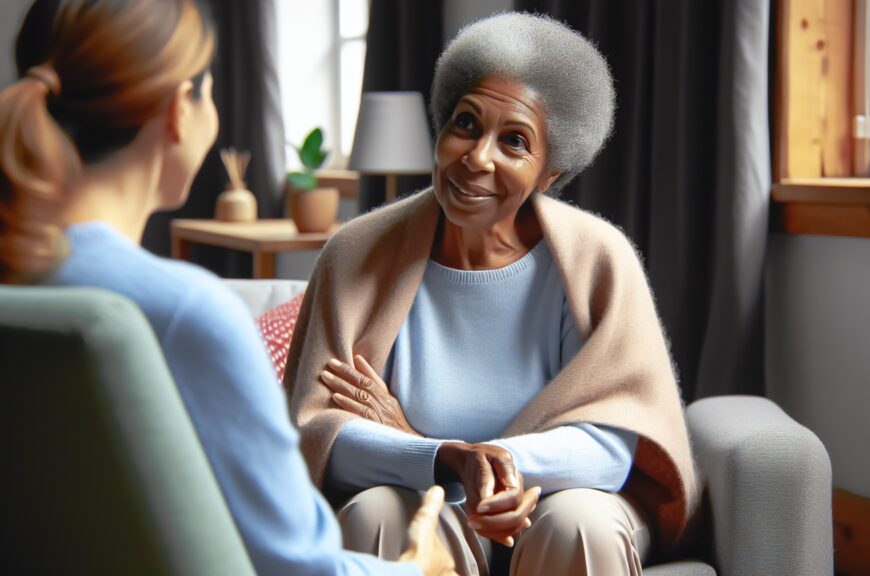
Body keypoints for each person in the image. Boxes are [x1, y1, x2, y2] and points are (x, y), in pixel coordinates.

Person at [0, 1, 456, 575]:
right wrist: (422, 568)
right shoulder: (186, 313)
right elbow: (298, 569)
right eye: (208, 91)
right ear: (177, 111)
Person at [285, 12, 698, 576]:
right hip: (424, 492)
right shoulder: (357, 252)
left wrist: (495, 463)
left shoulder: (598, 258)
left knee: (580, 525)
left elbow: (613, 443)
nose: (477, 158)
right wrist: (440, 459)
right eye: (466, 123)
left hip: (555, 500)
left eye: (514, 141)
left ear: (549, 174)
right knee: (378, 514)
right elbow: (320, 432)